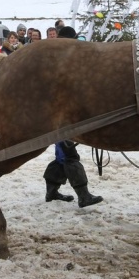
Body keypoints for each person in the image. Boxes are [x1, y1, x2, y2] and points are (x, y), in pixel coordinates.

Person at [43, 25, 103, 208]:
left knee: (62, 156)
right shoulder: (62, 61)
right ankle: (83, 195)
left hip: (59, 115)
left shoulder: (57, 58)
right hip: (60, 117)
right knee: (69, 156)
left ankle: (51, 192)